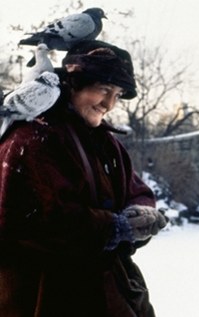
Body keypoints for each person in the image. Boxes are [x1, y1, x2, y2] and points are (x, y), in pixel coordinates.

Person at [0, 40, 168, 317]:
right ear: (72, 84)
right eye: (103, 89)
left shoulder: (104, 142)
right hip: (45, 298)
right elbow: (36, 221)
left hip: (110, 293)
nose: (110, 104)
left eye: (117, 93)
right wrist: (113, 228)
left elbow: (134, 188)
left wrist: (142, 213)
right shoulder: (31, 139)